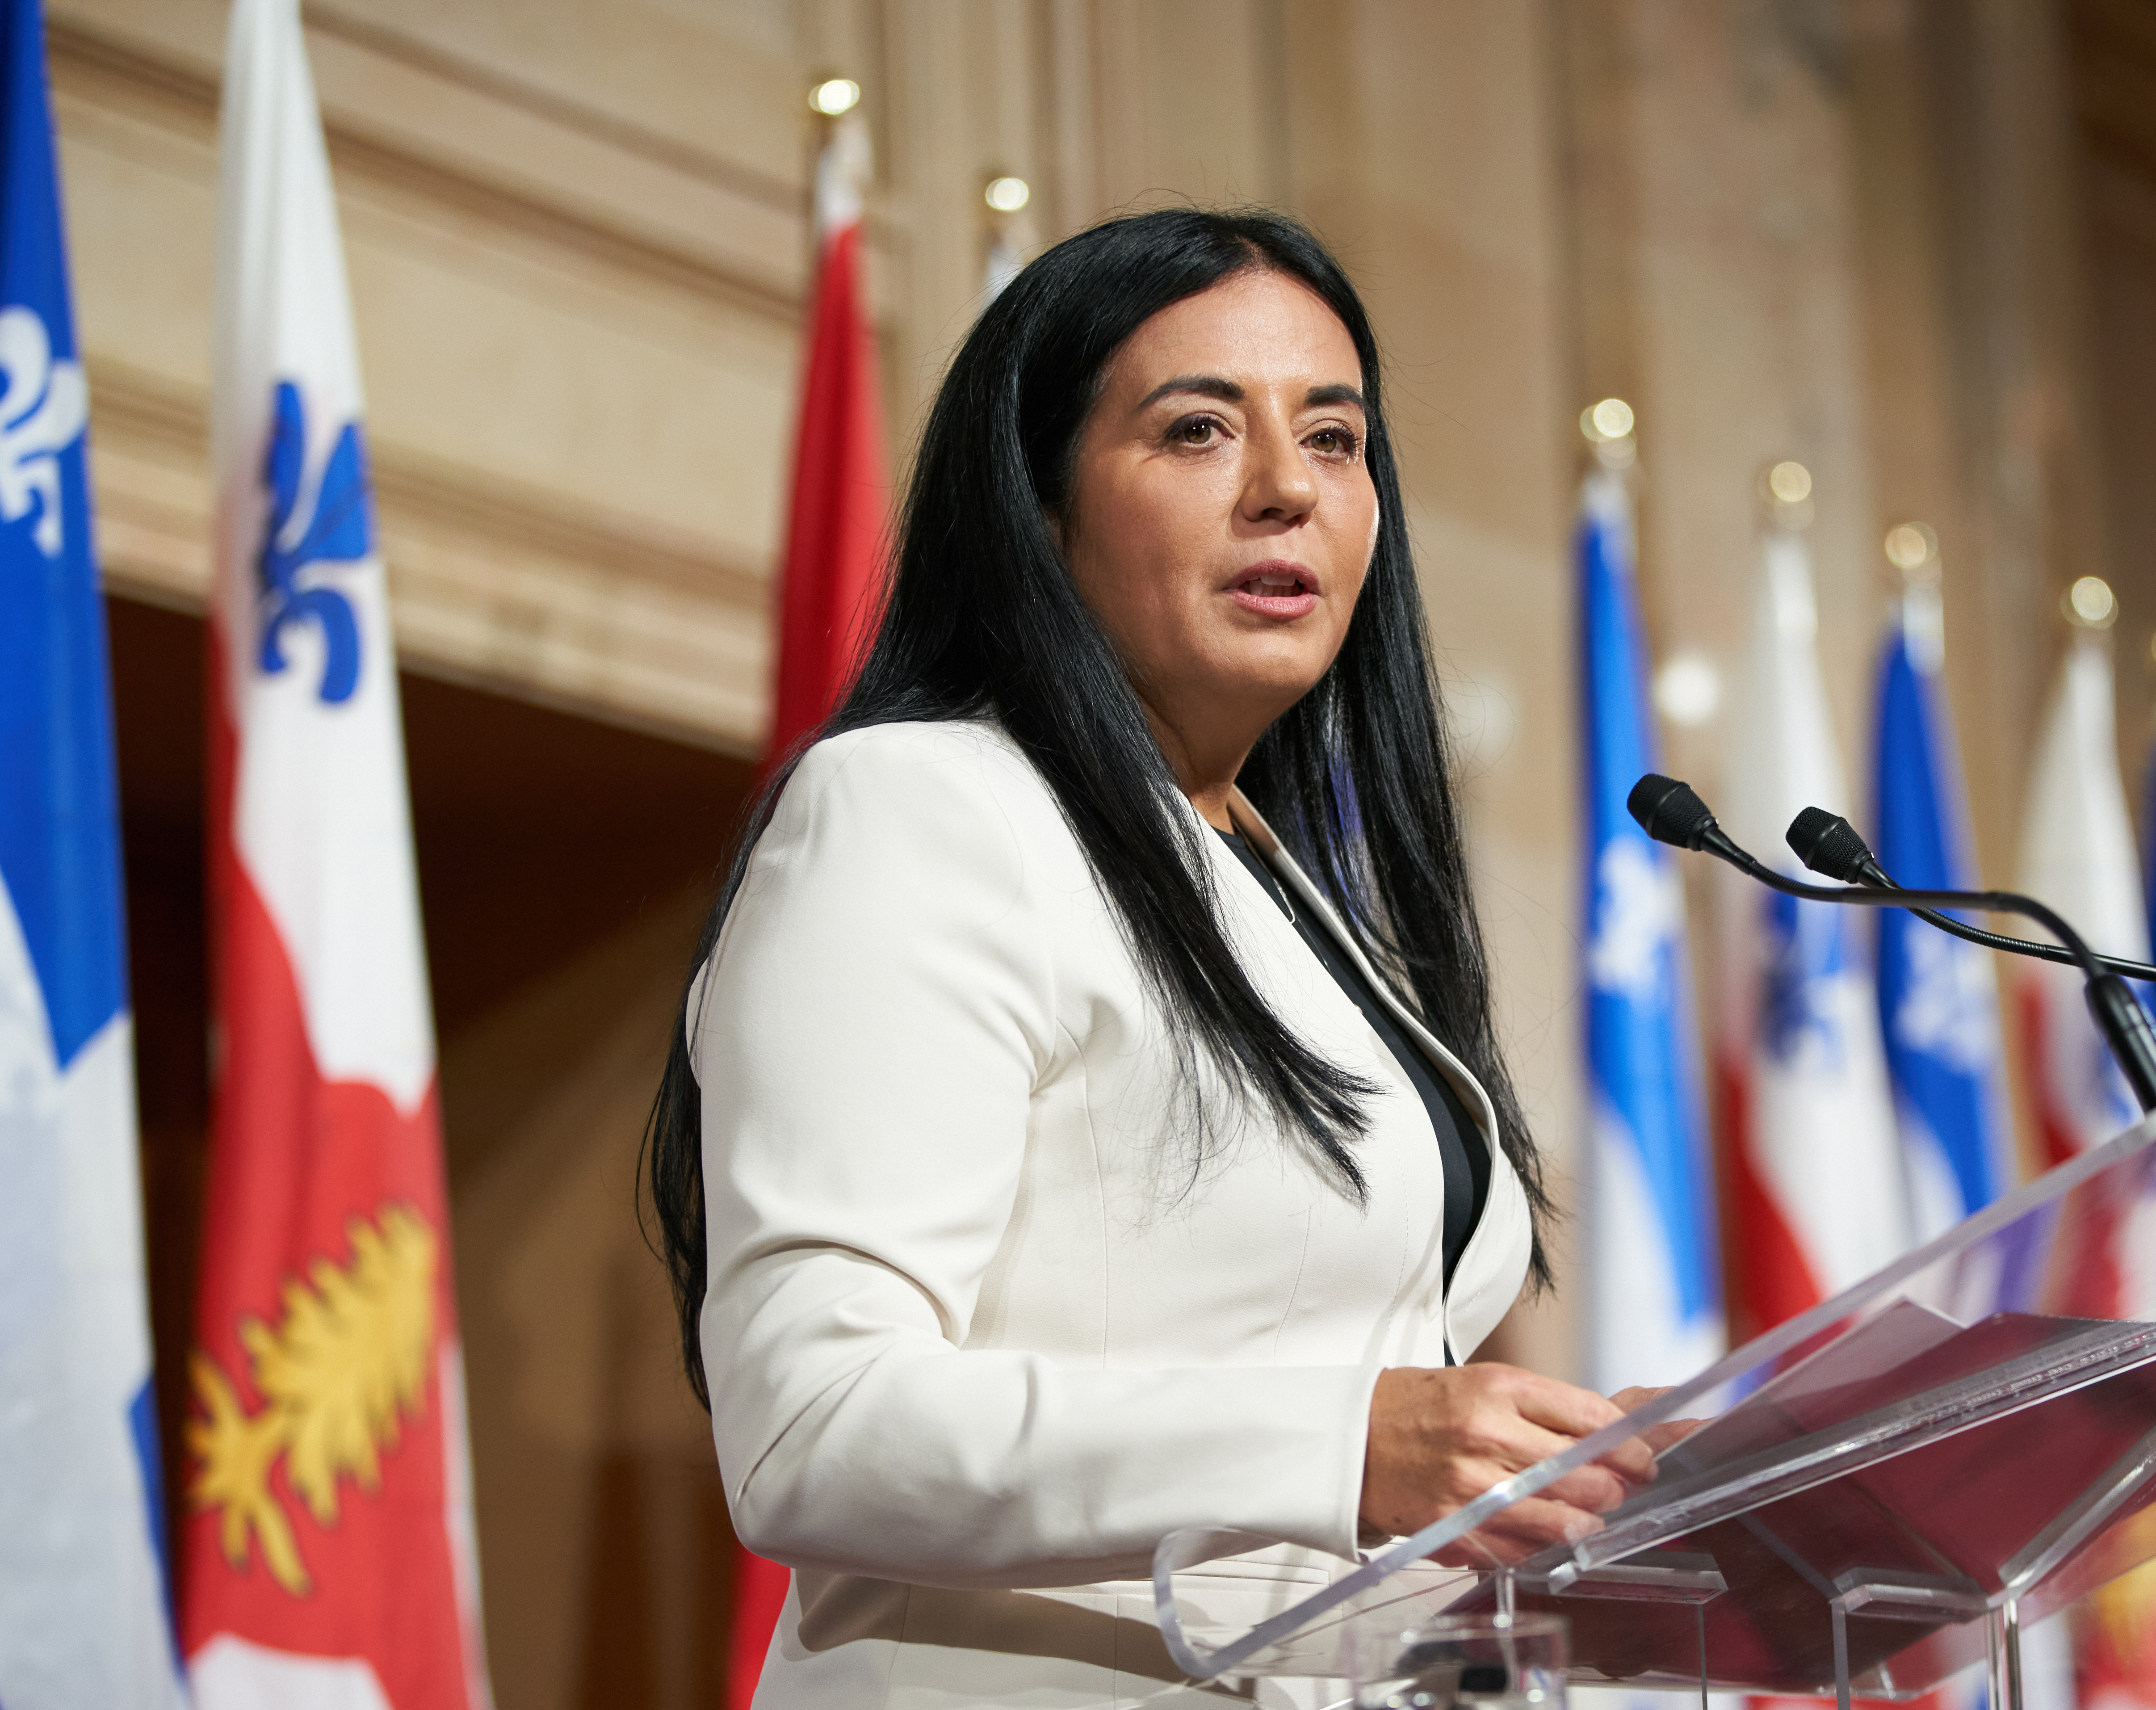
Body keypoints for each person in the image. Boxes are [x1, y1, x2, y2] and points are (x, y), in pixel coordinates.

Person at [643, 207, 1653, 1708]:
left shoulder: (1308, 902)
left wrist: (1570, 1476)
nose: (1284, 492)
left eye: (1333, 438)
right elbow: (813, 1426)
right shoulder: (922, 807)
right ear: (1040, 510)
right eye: (1196, 431)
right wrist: (1341, 1443)